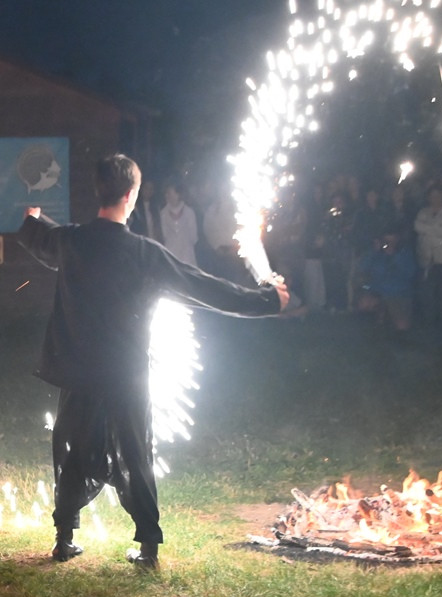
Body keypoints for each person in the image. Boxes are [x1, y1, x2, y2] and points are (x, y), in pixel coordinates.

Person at [17, 154, 288, 570]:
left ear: (100, 192)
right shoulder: (144, 254)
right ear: (131, 196)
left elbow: (44, 239)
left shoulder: (72, 242)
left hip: (78, 371)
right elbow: (203, 287)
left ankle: (64, 539)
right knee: (135, 453)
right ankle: (147, 548)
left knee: (71, 451)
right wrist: (268, 300)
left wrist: (33, 219)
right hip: (125, 374)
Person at [355, 230, 418, 331]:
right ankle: (376, 321)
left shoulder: (405, 253)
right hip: (377, 291)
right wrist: (374, 251)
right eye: (386, 241)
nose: (389, 244)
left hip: (398, 293)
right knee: (364, 303)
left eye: (392, 241)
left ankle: (390, 320)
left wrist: (395, 256)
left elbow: (410, 273)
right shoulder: (377, 253)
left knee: (402, 326)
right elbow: (362, 268)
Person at [414, 186, 442, 326]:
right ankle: (429, 321)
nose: (435, 198)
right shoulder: (423, 212)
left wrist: (427, 228)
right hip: (427, 259)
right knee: (427, 292)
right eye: (432, 195)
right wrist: (436, 228)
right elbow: (416, 226)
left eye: (438, 195)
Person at [159, 181, 198, 266]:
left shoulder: (189, 212)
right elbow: (164, 235)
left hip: (187, 257)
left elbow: (194, 237)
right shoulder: (163, 214)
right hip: (171, 256)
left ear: (178, 194)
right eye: (166, 193)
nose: (167, 195)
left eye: (169, 192)